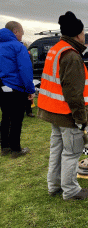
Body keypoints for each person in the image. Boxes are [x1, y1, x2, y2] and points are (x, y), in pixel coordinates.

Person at [37, 11, 88, 200]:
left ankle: (54, 185)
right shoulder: (71, 55)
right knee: (72, 153)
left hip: (54, 112)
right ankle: (71, 190)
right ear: (78, 34)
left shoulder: (57, 49)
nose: (84, 35)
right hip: (68, 115)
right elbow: (73, 92)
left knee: (57, 151)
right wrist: (81, 119)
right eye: (83, 32)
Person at [0, 21, 35, 158]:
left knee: (5, 117)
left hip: (2, 88)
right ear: (15, 31)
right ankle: (16, 149)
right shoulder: (18, 47)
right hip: (16, 88)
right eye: (21, 33)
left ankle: (4, 147)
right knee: (16, 119)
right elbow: (25, 70)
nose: (22, 36)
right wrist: (30, 89)